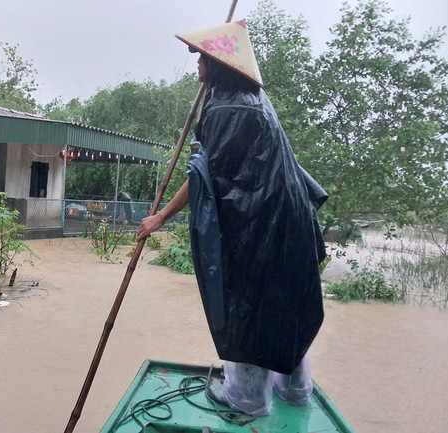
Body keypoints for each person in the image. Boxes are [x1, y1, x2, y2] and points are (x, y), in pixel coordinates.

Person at [137, 20, 328, 417]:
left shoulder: (226, 107)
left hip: (261, 224)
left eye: (202, 59)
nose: (197, 67)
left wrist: (160, 218)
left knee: (249, 301)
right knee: (285, 299)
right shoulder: (257, 102)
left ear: (219, 65)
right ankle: (295, 391)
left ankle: (247, 397)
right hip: (292, 217)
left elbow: (203, 178)